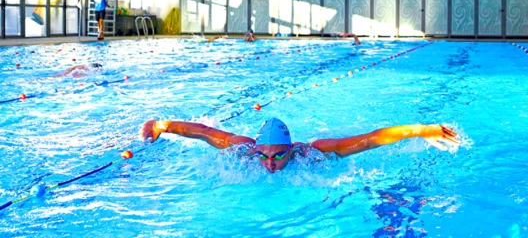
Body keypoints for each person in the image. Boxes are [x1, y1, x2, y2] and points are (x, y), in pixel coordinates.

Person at [140, 117, 459, 174]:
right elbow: (202, 131)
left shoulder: (313, 151)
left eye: (278, 156)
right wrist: (162, 126)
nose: (270, 165)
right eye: (264, 157)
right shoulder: (245, 150)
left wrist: (421, 130)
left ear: (290, 149)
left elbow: (370, 139)